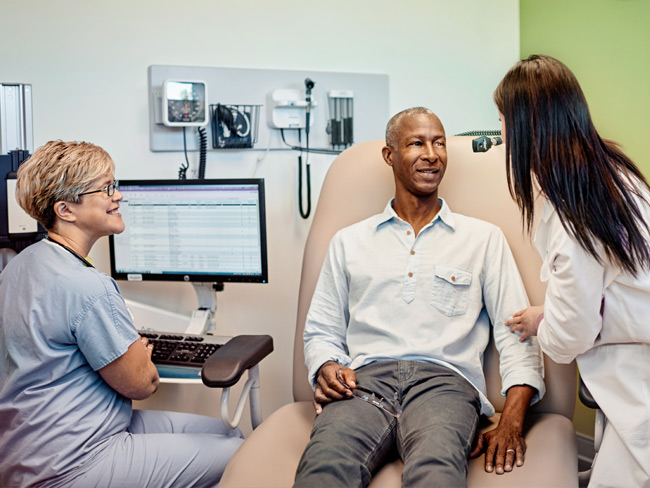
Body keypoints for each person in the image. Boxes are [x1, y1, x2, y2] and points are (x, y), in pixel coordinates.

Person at [294, 107, 545, 487]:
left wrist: (512, 420)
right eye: (417, 143)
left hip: (444, 385)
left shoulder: (483, 239)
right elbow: (321, 331)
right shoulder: (349, 242)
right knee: (322, 471)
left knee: (436, 475)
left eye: (439, 143)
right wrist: (326, 365)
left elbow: (518, 334)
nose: (432, 154)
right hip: (362, 385)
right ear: (389, 155)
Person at [0, 141, 244, 488]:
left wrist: (131, 350)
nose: (119, 197)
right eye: (107, 188)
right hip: (74, 463)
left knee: (224, 431)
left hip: (26, 453)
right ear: (66, 209)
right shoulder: (88, 286)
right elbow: (142, 383)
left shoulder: (18, 266)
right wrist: (139, 355)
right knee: (243, 452)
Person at [497, 54, 650, 487]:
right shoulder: (610, 173)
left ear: (528, 125)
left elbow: (569, 338)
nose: (503, 134)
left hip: (637, 374)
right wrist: (548, 313)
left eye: (505, 120)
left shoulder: (572, 214)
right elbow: (609, 287)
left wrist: (549, 322)